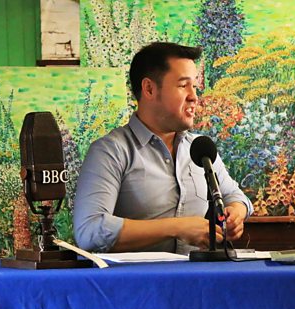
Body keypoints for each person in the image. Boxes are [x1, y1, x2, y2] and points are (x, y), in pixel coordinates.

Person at [73, 42, 253, 253]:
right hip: (138, 283)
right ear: (149, 88)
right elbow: (90, 231)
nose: (194, 96)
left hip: (199, 280)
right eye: (183, 85)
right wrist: (176, 228)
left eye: (194, 86)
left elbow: (237, 197)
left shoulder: (199, 148)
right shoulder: (111, 151)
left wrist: (235, 213)